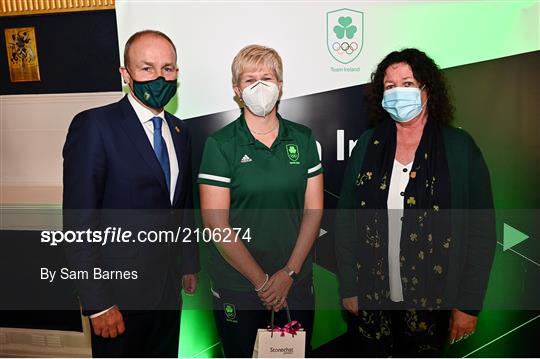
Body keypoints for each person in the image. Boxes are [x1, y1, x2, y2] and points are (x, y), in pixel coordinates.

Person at [335, 48, 496, 357]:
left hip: (434, 304)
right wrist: (350, 288)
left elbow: (481, 232)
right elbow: (345, 220)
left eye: (407, 83)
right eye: (390, 86)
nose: (398, 93)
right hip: (372, 299)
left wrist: (468, 304)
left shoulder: (459, 148)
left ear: (426, 89)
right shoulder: (369, 144)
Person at [62, 30, 199, 357]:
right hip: (118, 298)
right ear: (126, 75)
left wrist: (188, 264)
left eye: (167, 69)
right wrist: (98, 304)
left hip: (167, 294)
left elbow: (181, 205)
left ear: (177, 73)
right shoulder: (95, 126)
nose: (159, 77)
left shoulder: (180, 131)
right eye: (147, 68)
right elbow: (78, 224)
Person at [197, 44, 324, 357]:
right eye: (249, 79)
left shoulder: (303, 138)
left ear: (280, 86)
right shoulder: (221, 144)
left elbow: (314, 210)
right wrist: (264, 283)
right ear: (237, 90)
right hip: (239, 287)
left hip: (295, 283)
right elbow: (216, 223)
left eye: (266, 77)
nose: (259, 86)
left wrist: (288, 274)